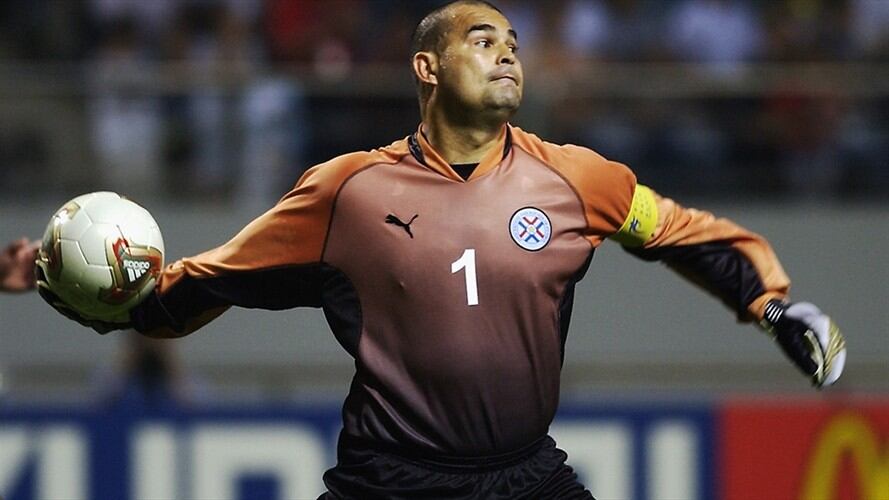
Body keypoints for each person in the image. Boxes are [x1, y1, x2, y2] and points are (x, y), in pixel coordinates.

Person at [37, 1, 847, 498]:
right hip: (387, 483)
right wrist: (122, 308)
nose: (507, 53)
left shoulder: (576, 180)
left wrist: (773, 305)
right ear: (427, 66)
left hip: (526, 477)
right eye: (482, 39)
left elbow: (681, 233)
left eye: (513, 43)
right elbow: (213, 282)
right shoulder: (344, 192)